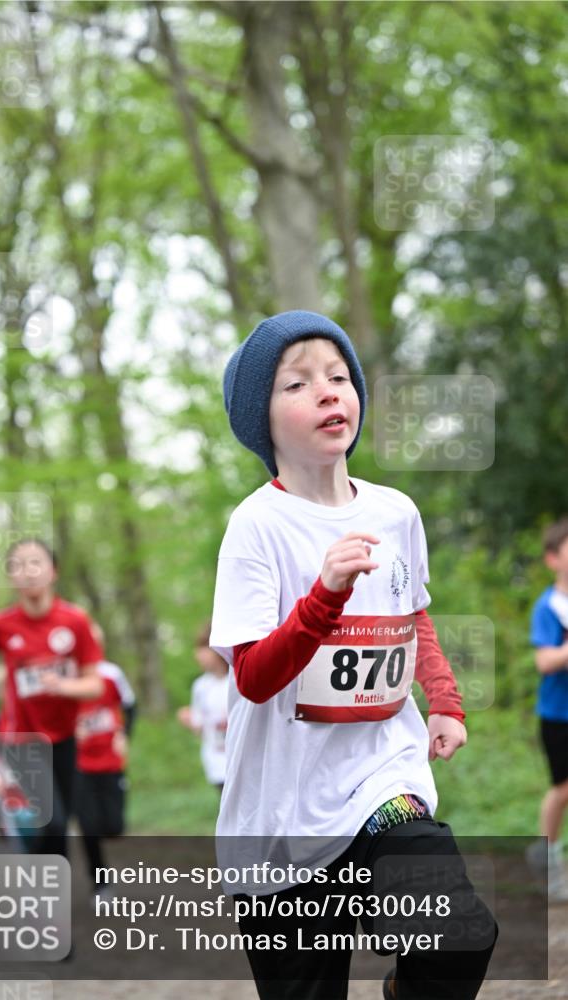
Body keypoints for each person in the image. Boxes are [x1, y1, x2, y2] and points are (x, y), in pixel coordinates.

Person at [210, 311, 497, 1000]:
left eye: (338, 377)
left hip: (379, 781)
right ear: (260, 419)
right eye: (298, 383)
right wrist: (324, 594)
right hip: (280, 821)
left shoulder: (395, 512)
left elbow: (412, 612)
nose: (328, 391)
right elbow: (252, 676)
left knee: (457, 934)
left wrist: (445, 701)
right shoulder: (256, 526)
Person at [0, 538, 103, 857]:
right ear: (11, 576)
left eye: (36, 562)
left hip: (63, 736)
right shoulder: (2, 624)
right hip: (20, 737)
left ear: (54, 571)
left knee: (62, 824)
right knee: (52, 821)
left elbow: (96, 685)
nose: (28, 571)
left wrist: (63, 686)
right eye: (19, 565)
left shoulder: (75, 621)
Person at [527, 517, 568, 903]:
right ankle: (549, 856)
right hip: (559, 714)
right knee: (562, 789)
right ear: (553, 559)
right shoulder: (549, 607)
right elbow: (545, 661)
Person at [75, 655, 136, 892]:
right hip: (78, 763)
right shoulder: (64, 677)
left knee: (114, 826)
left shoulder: (111, 673)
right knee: (88, 826)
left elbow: (131, 706)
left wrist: (124, 735)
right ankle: (100, 882)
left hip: (110, 759)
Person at [177, 622, 228, 796]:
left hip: (242, 763)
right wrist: (189, 720)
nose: (198, 655)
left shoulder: (237, 682)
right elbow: (200, 728)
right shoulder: (201, 686)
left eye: (204, 648)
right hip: (217, 764)